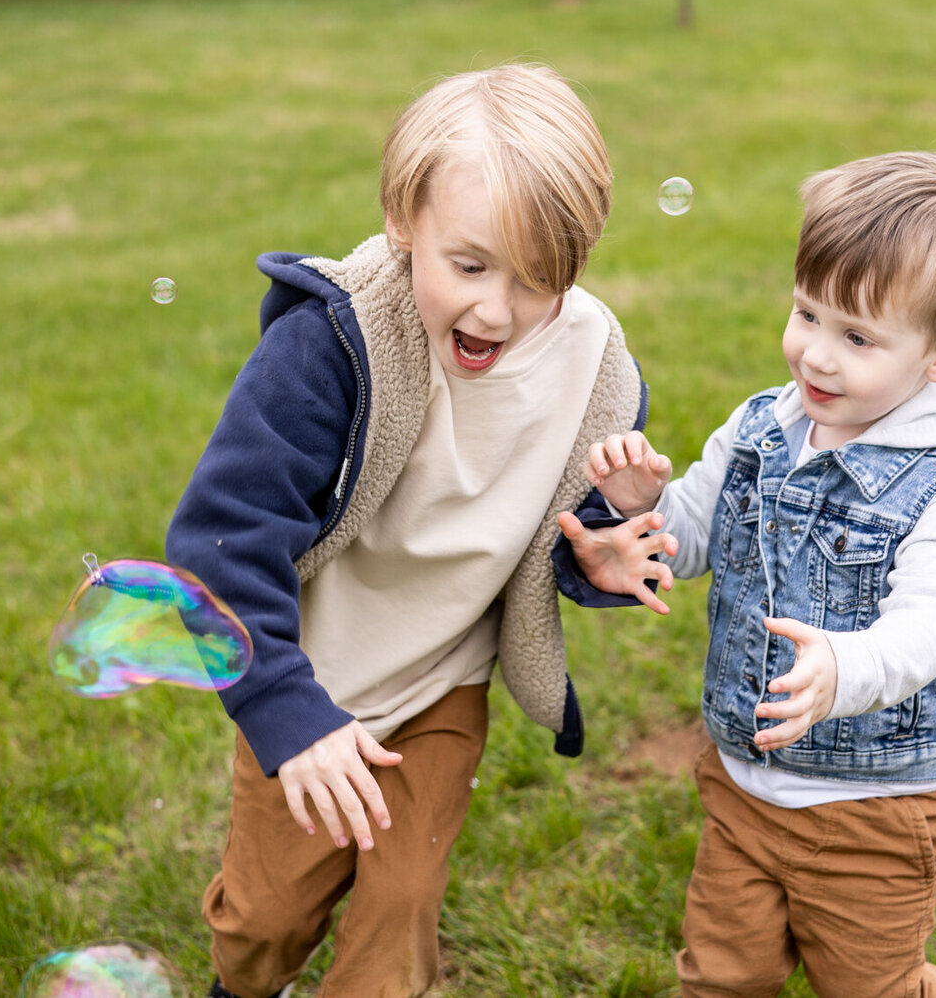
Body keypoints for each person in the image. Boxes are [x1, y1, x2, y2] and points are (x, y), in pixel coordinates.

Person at [165, 63, 674, 998]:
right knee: (266, 919)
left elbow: (556, 529)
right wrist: (289, 713)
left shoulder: (595, 364)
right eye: (469, 265)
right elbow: (220, 539)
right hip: (313, 673)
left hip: (444, 681)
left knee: (399, 907)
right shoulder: (332, 346)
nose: (497, 311)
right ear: (405, 222)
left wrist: (605, 540)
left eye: (539, 279)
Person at [563, 151, 936, 997]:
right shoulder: (762, 425)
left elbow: (930, 625)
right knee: (720, 976)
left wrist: (843, 668)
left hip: (877, 807)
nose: (817, 355)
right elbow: (692, 534)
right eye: (808, 313)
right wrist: (640, 515)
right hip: (741, 784)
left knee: (872, 987)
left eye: (858, 337)